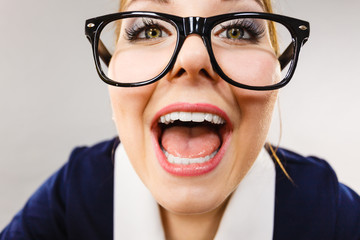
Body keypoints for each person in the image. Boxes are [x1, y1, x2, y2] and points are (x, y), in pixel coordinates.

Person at [1, 0, 359, 239]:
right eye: (150, 30)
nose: (191, 56)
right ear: (110, 60)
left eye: (237, 30)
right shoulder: (73, 195)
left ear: (277, 67)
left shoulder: (332, 215)